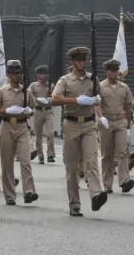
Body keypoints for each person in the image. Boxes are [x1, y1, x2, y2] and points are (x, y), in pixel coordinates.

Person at [52, 46, 108, 217]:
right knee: (72, 167)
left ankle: (97, 194)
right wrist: (76, 100)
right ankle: (74, 204)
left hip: (89, 124)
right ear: (73, 62)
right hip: (72, 124)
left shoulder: (93, 79)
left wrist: (99, 108)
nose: (83, 62)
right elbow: (54, 99)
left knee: (91, 160)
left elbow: (98, 99)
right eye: (79, 60)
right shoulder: (65, 80)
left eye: (85, 59)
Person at [0, 60, 39, 205]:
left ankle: (29, 191)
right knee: (7, 163)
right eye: (12, 73)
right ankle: (10, 195)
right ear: (8, 74)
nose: (15, 76)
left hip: (22, 126)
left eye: (17, 73)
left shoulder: (27, 91)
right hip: (6, 126)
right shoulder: (1, 91)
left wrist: (30, 111)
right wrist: (6, 111)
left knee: (25, 160)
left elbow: (33, 107)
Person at [98, 59, 134, 194]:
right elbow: (97, 105)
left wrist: (128, 125)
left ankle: (125, 180)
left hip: (120, 121)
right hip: (106, 122)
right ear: (107, 71)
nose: (115, 72)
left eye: (116, 70)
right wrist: (101, 117)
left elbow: (128, 107)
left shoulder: (124, 87)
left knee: (122, 151)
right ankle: (107, 184)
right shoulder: (100, 87)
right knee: (107, 154)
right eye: (112, 70)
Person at [29, 65, 55, 164]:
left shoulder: (50, 86)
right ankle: (40, 155)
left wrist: (50, 99)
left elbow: (54, 97)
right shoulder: (33, 86)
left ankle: (50, 155)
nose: (45, 75)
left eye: (46, 73)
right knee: (38, 135)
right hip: (38, 111)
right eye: (43, 74)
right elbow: (28, 97)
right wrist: (37, 100)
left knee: (50, 133)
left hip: (48, 111)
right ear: (38, 75)